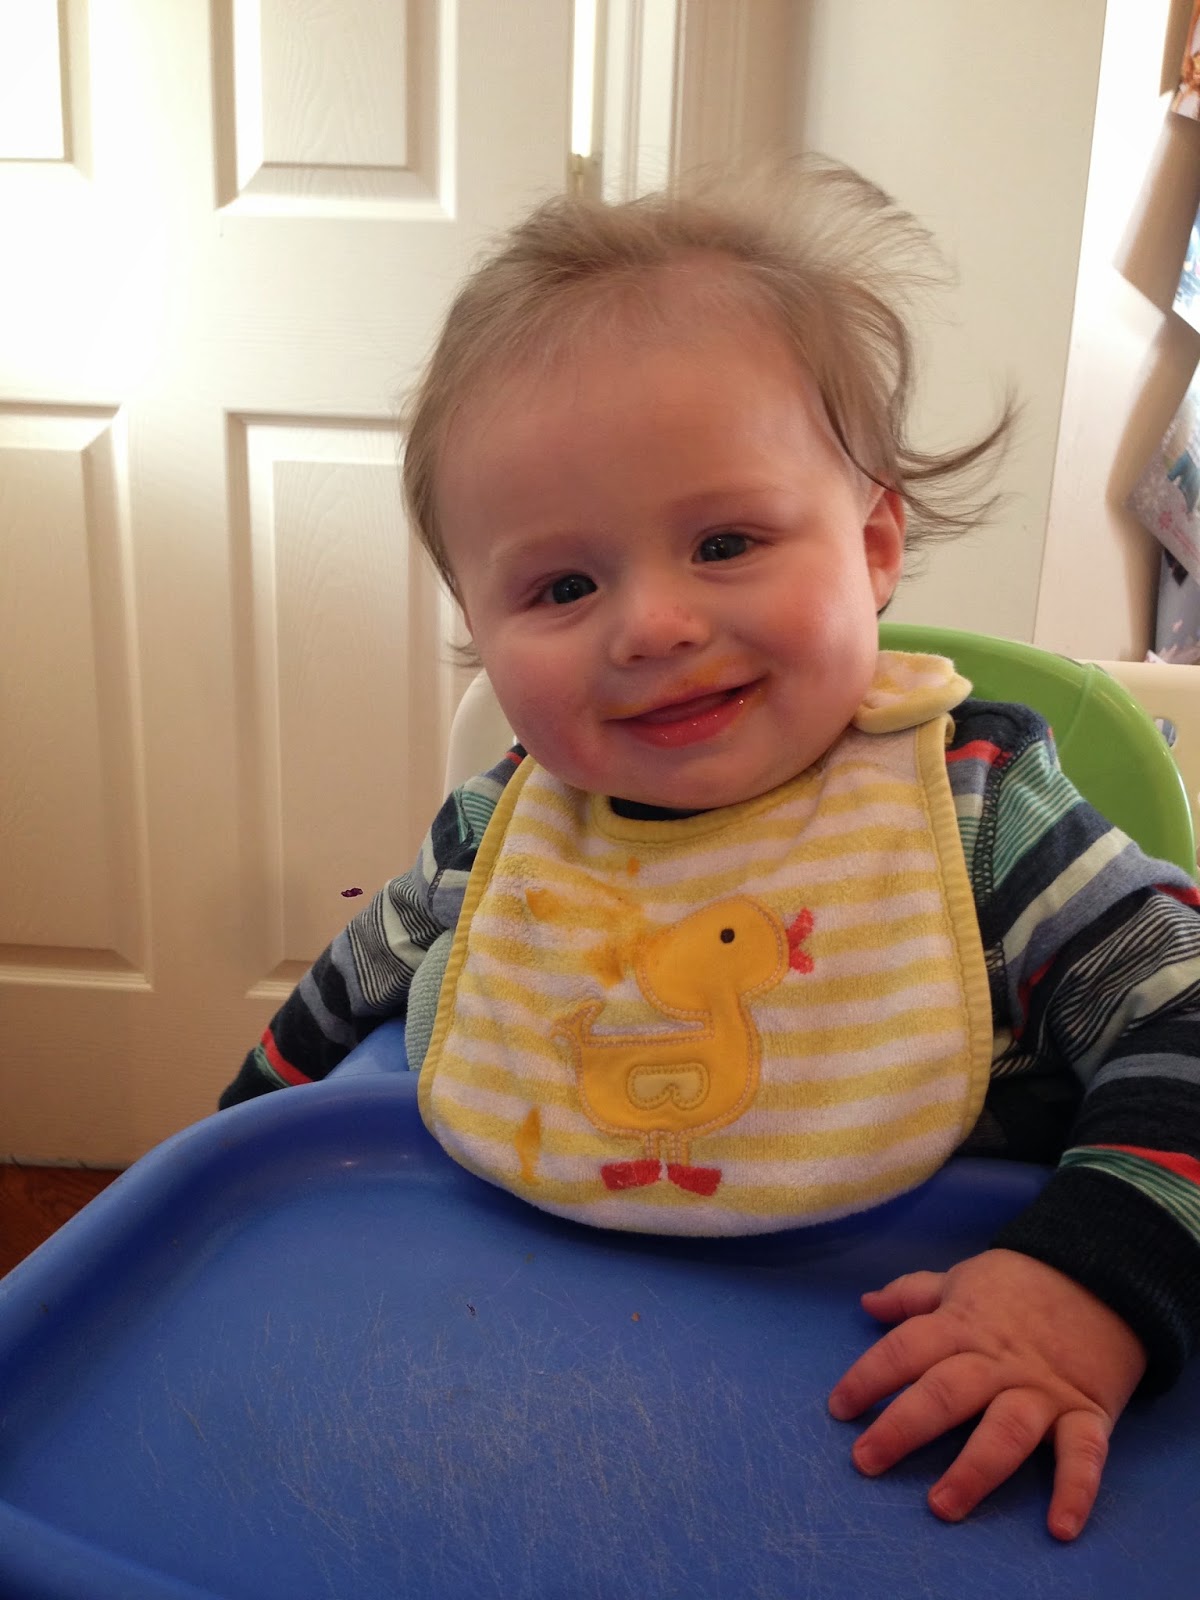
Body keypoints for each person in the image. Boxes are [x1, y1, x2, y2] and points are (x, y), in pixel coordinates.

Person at [220, 157, 1200, 1543]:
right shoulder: (500, 834)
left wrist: (1091, 1283)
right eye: (564, 584)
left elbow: (1184, 1021)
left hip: (901, 1406)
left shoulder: (978, 812)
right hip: (502, 1397)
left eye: (727, 541)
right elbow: (335, 1005)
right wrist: (212, 1185)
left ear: (873, 547)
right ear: (481, 631)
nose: (654, 626)